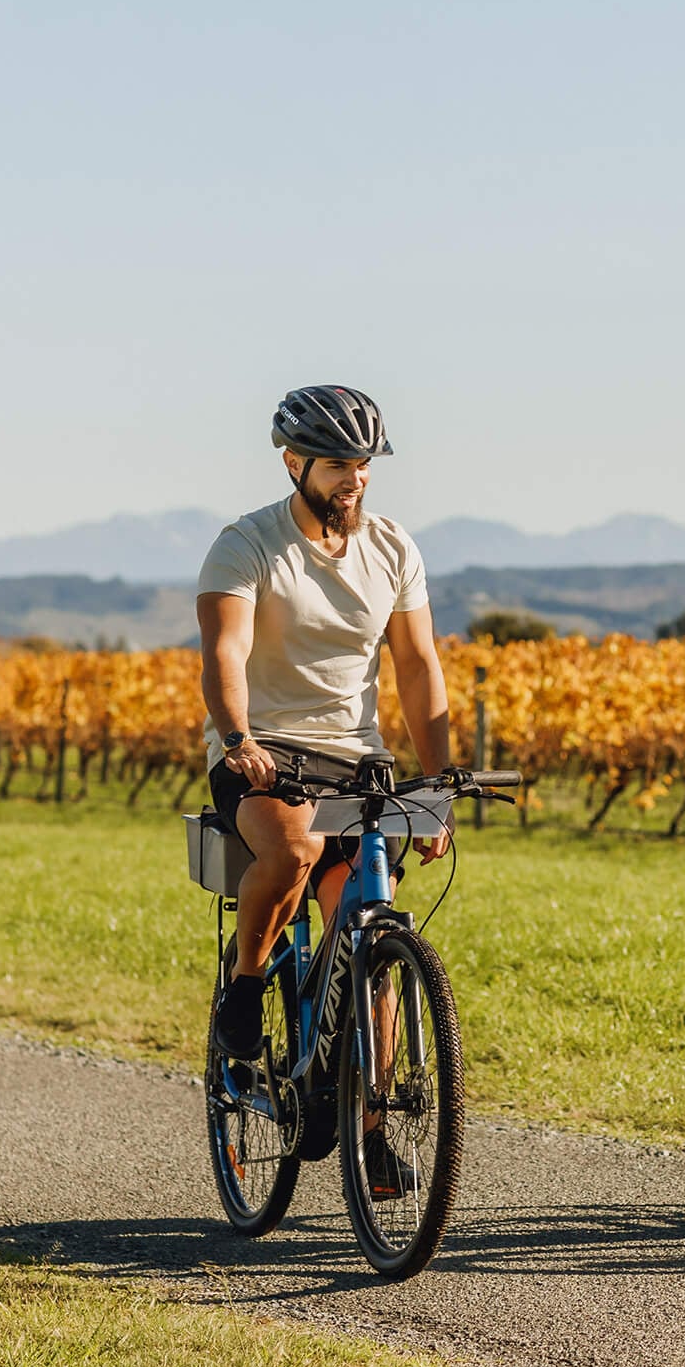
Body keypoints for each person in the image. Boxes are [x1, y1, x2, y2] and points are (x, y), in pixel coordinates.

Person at [196, 384, 453, 1197]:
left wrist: (439, 783)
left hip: (356, 761)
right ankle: (247, 987)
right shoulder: (247, 546)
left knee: (367, 927)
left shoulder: (392, 548)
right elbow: (225, 654)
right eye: (341, 464)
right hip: (263, 751)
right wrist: (238, 738)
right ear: (294, 463)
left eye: (365, 465)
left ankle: (370, 1132)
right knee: (296, 848)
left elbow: (416, 666)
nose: (356, 479)